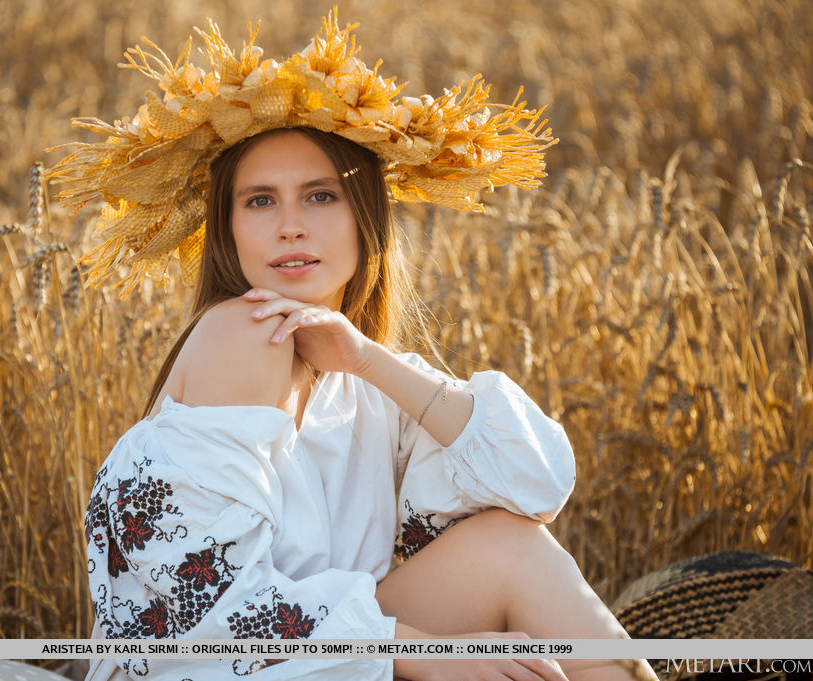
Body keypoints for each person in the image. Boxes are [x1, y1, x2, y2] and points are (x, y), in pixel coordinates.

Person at [53, 11, 657, 681]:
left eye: (318, 196)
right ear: (229, 229)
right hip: (216, 668)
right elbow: (216, 604)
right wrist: (430, 654)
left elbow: (535, 487)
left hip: (326, 657)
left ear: (364, 216)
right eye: (259, 201)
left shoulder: (359, 371)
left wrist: (370, 360)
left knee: (513, 548)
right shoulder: (243, 335)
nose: (289, 227)